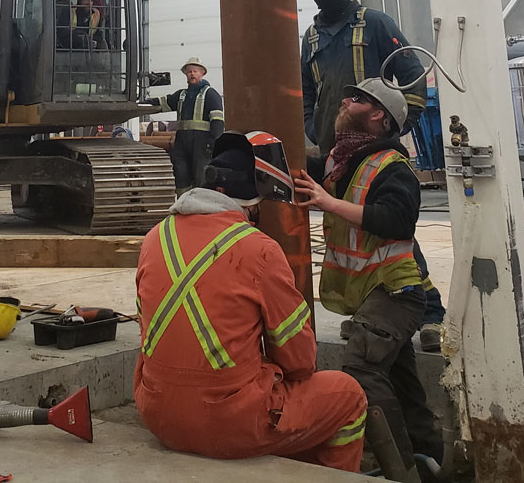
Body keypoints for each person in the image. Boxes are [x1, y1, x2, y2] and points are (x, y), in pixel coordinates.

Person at [134, 132, 368, 469]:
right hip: (228, 423)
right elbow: (300, 361)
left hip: (157, 413)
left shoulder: (156, 236)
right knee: (347, 397)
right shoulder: (258, 249)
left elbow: (149, 329)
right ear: (254, 201)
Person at [295, 78, 444, 480]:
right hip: (373, 293)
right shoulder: (340, 160)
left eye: (357, 98)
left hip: (397, 292)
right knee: (399, 376)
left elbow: (398, 220)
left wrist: (329, 203)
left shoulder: (392, 166)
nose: (345, 100)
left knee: (361, 366)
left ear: (379, 115)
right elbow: (299, 167)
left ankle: (401, 471)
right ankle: (429, 457)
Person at [299, 0, 446, 352]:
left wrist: (402, 124)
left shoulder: (374, 24)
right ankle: (373, 313)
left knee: (394, 234)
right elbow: (307, 91)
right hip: (337, 150)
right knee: (358, 239)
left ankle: (430, 313)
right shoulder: (311, 38)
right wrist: (315, 128)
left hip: (376, 149)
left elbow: (412, 75)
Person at [149, 59, 224, 192]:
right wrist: (141, 103)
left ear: (202, 73)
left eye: (195, 71)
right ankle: (183, 205)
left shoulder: (211, 95)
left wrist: (213, 144)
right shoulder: (181, 95)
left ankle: (201, 208)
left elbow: (218, 123)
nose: (192, 74)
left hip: (202, 146)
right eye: (189, 71)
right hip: (182, 145)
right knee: (181, 175)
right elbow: (162, 103)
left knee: (202, 178)